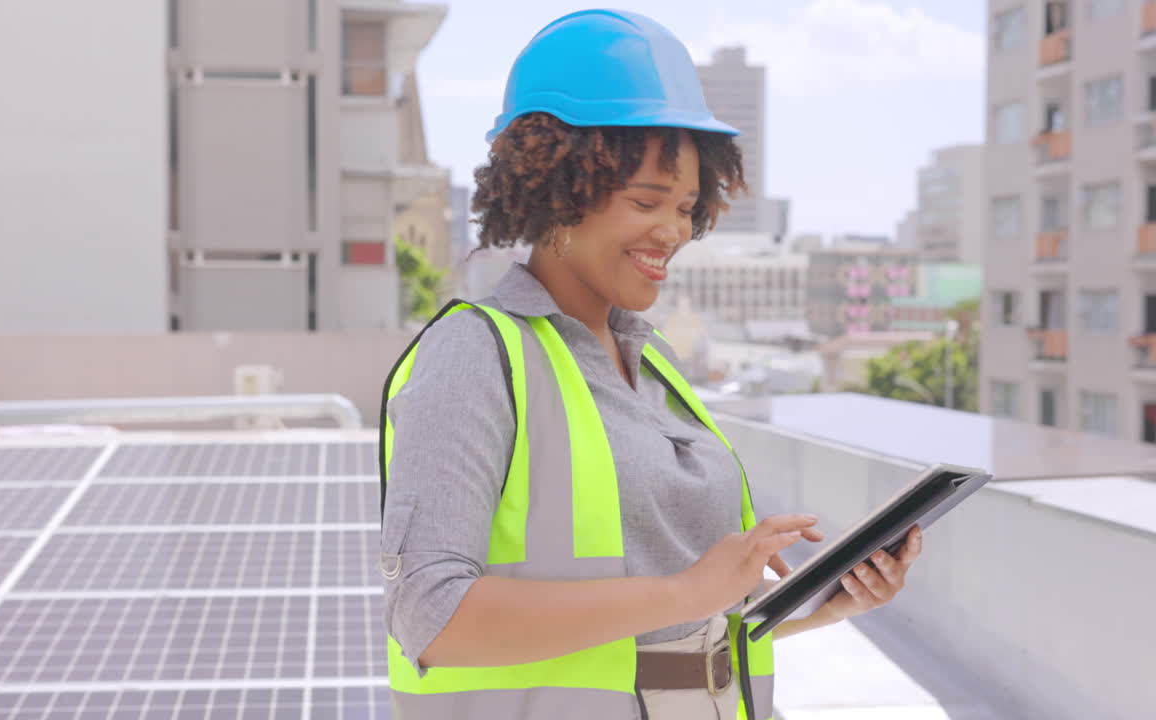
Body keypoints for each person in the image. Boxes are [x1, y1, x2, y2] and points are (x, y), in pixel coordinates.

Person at [378, 9, 924, 720]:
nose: (672, 231)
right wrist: (684, 594)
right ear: (558, 190)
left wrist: (820, 602)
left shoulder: (654, 363)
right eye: (646, 201)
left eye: (688, 208)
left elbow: (680, 629)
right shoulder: (474, 355)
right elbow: (429, 612)